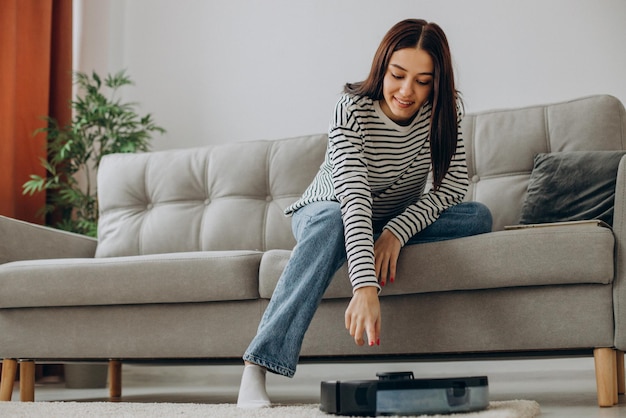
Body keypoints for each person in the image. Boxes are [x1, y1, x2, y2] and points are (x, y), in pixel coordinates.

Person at [236, 18, 492, 408]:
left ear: (436, 82)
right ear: (382, 66)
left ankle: (373, 239)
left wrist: (396, 233)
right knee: (335, 222)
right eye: (398, 75)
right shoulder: (350, 108)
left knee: (477, 216)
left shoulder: (446, 110)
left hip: (390, 218)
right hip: (330, 208)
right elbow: (354, 199)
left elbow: (453, 188)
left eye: (423, 81)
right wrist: (365, 286)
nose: (407, 91)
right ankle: (257, 365)